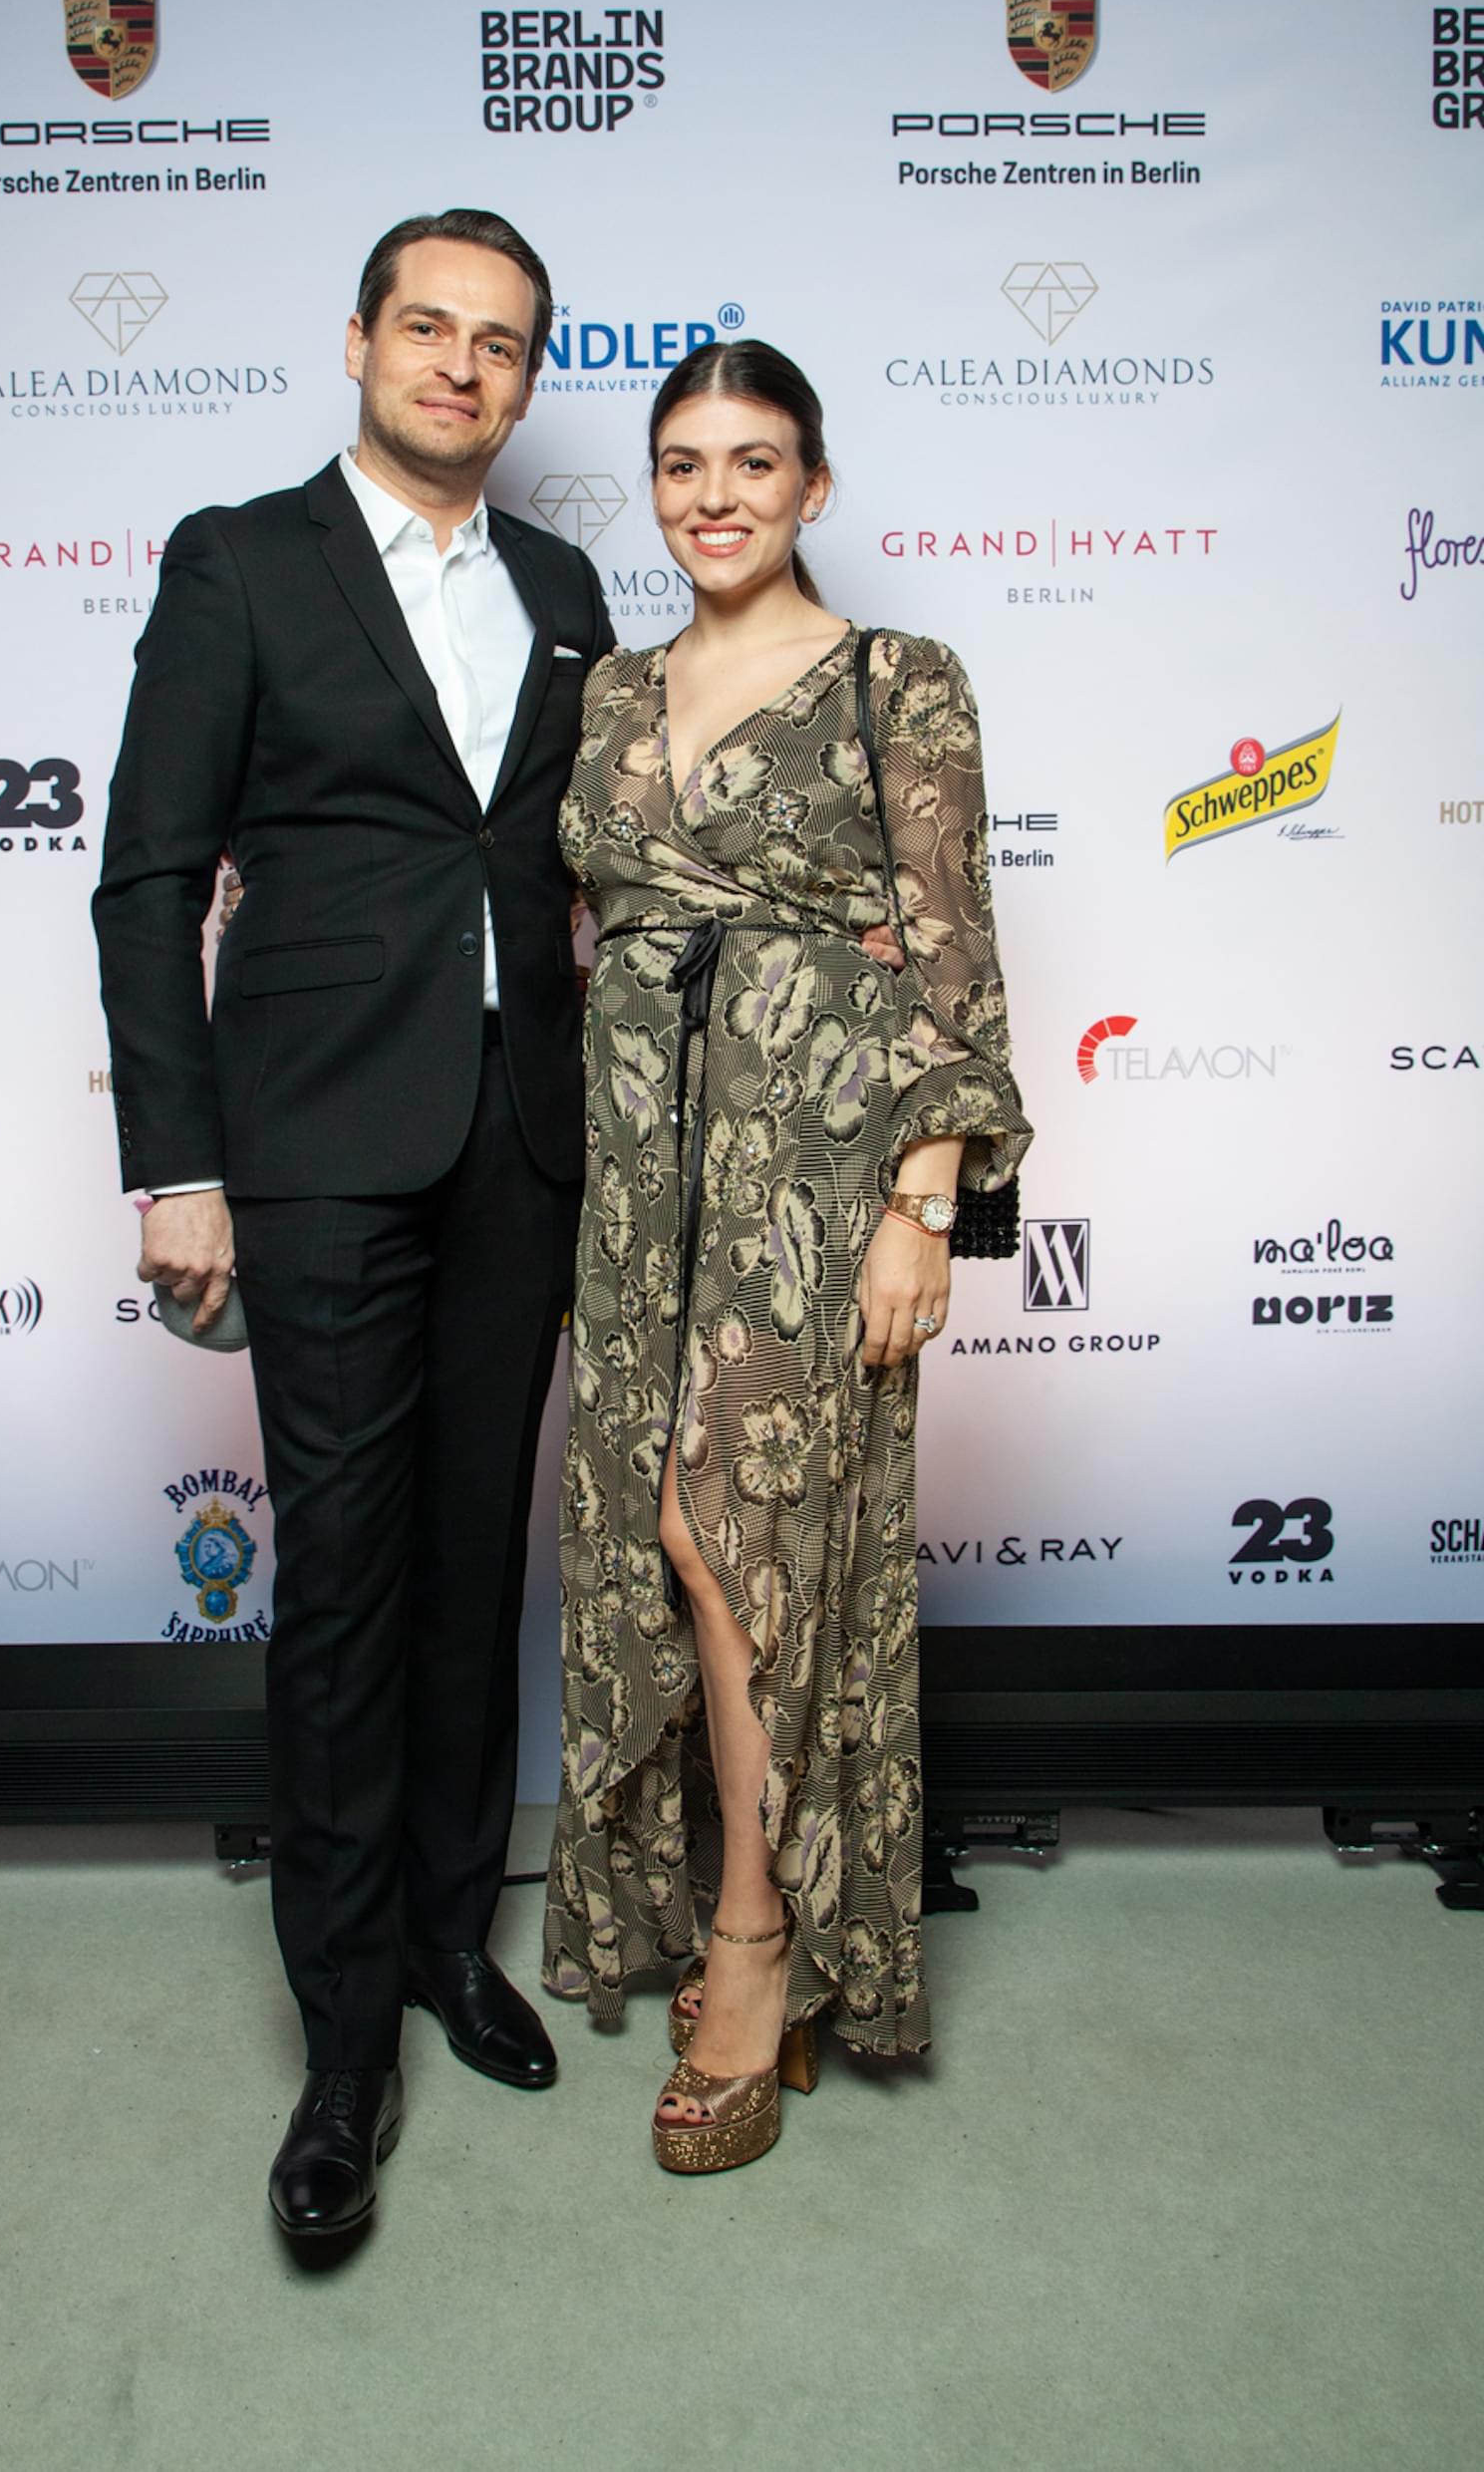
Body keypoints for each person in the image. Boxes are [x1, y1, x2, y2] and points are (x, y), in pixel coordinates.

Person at [93, 208, 616, 2242]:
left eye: (501, 342)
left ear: (526, 378)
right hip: (312, 1142)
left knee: (475, 1562)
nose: (461, 366)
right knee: (341, 1582)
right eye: (429, 327)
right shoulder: (240, 560)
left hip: (521, 1144)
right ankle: (338, 2044)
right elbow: (150, 880)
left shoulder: (564, 588)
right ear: (361, 341)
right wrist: (178, 1165)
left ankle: (444, 1938)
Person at [541, 339, 1032, 2173]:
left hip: (815, 1169)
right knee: (661, 1535)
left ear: (814, 487)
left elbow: (951, 944)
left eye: (755, 462)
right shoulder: (612, 688)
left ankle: (757, 1939)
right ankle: (742, 1904)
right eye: (683, 463)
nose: (715, 495)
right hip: (639, 1177)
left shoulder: (900, 678)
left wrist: (926, 1198)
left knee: (729, 1531)